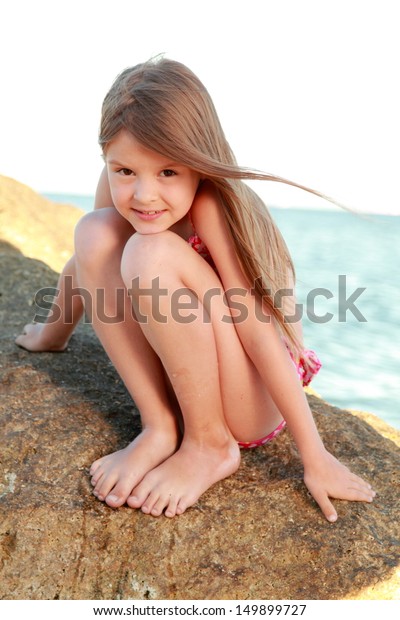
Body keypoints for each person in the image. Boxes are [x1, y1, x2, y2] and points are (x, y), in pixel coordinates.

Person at [16, 57, 375, 521]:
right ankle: (161, 426)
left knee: (150, 254)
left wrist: (315, 455)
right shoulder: (116, 181)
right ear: (107, 156)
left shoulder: (213, 204)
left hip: (250, 395)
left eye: (168, 173)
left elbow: (257, 328)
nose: (144, 194)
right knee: (94, 230)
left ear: (198, 162)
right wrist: (53, 333)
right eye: (125, 171)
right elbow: (88, 262)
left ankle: (209, 445)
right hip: (190, 375)